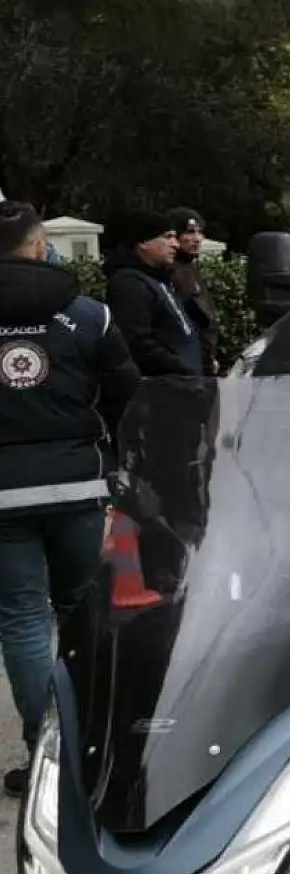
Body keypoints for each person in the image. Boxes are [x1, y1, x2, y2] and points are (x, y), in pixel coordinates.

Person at [0, 201, 140, 795]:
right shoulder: (90, 317)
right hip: (79, 484)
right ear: (39, 247)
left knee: (23, 620)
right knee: (80, 612)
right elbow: (127, 396)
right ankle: (94, 744)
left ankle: (45, 753)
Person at [104, 210, 201, 377]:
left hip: (184, 388)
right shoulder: (130, 283)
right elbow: (138, 343)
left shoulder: (158, 279)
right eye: (167, 237)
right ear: (143, 242)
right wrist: (182, 371)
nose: (175, 244)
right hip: (160, 392)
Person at [166, 207, 221, 376]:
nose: (197, 239)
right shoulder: (169, 271)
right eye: (189, 232)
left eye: (199, 232)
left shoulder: (191, 267)